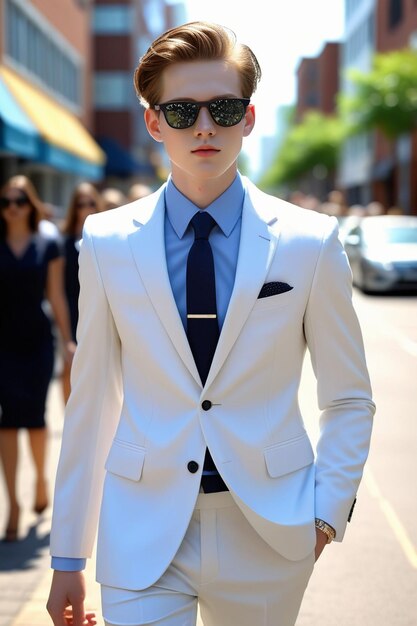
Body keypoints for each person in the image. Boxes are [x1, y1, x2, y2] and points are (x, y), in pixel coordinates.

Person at [47, 21, 375, 626]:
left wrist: (326, 514)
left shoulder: (310, 241)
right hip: (141, 530)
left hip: (270, 532)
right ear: (153, 123)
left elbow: (350, 397)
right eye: (181, 111)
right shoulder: (106, 240)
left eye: (223, 108)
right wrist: (67, 553)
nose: (204, 126)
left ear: (248, 118)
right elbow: (92, 400)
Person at [0, 175, 75, 542]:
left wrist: (68, 340)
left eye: (19, 200)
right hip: (3, 343)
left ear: (30, 203)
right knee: (8, 421)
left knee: (36, 418)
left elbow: (57, 296)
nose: (12, 207)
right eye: (7, 202)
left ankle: (41, 480)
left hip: (36, 341)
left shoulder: (48, 243)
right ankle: (13, 502)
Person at [60, 182, 103, 403]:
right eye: (81, 203)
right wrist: (66, 335)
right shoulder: (63, 243)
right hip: (72, 313)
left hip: (100, 314)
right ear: (74, 207)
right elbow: (57, 290)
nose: (86, 208)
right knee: (70, 368)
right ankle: (69, 421)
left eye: (91, 203)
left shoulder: (108, 240)